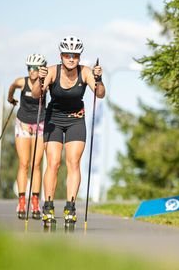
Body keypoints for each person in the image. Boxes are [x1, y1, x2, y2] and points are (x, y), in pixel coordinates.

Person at [32, 35, 105, 225]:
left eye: (75, 55)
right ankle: (47, 206)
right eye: (67, 55)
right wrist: (40, 81)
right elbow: (35, 94)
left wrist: (99, 79)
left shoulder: (86, 72)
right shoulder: (51, 71)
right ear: (61, 56)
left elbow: (100, 94)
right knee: (54, 163)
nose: (71, 59)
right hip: (53, 120)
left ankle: (70, 207)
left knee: (73, 162)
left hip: (75, 120)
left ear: (79, 57)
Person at [7, 53, 47, 220]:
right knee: (23, 164)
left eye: (36, 68)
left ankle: (35, 202)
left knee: (36, 165)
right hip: (23, 124)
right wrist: (11, 98)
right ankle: (22, 201)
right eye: (30, 68)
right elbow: (12, 87)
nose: (32, 71)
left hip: (40, 124)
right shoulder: (21, 82)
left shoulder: (46, 83)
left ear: (41, 69)